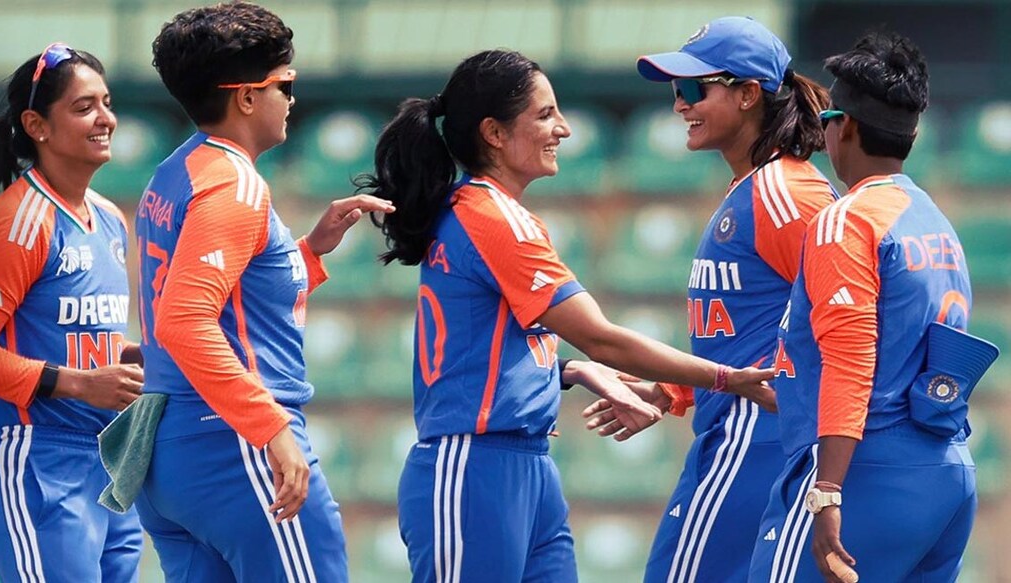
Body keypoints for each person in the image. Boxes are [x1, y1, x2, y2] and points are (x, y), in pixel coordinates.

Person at [355, 48, 776, 583]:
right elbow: (602, 338)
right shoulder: (491, 218)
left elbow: (481, 343)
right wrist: (725, 378)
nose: (564, 129)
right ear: (495, 133)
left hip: (525, 466)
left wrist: (569, 371)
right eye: (545, 114)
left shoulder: (483, 211)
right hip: (473, 468)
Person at [129, 4, 393, 582]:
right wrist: (270, 430)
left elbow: (223, 301)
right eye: (285, 84)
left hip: (174, 447)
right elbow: (186, 320)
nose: (291, 99)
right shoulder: (235, 183)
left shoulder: (176, 170)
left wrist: (308, 252)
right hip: (232, 443)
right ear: (246, 97)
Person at [580, 16, 838, 582]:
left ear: (748, 95)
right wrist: (671, 389)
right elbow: (744, 325)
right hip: (740, 431)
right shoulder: (758, 188)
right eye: (677, 90)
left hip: (757, 438)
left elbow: (855, 307)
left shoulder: (782, 192)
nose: (680, 104)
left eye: (695, 89)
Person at [747, 31, 993, 582]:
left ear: (846, 126)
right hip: (946, 473)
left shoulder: (848, 217)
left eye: (829, 118)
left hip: (868, 473)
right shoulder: (934, 219)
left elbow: (851, 360)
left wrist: (827, 491)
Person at [0, 43, 144, 582]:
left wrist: (126, 359)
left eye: (107, 102)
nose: (106, 119)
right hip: (39, 463)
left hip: (109, 464)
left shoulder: (108, 218)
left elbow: (64, 333)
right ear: (37, 125)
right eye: (83, 107)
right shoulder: (20, 220)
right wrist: (78, 384)